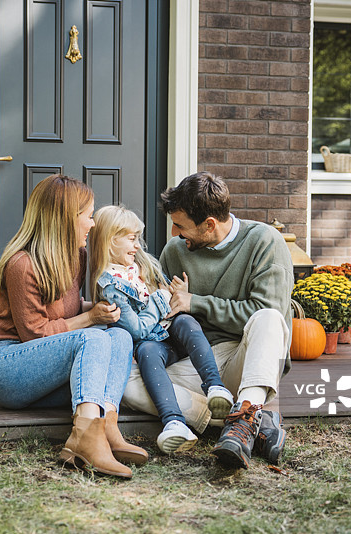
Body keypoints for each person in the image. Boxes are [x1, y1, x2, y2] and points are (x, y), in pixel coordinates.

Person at [121, 172, 293, 469]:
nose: (174, 233)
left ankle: (245, 411)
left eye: (181, 226)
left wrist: (195, 303)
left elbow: (263, 311)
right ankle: (246, 422)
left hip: (244, 357)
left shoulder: (264, 241)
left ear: (209, 224)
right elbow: (168, 316)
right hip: (197, 363)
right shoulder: (175, 251)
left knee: (269, 318)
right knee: (125, 378)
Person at [0, 174, 147, 479]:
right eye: (88, 216)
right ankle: (85, 437)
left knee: (120, 336)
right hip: (7, 369)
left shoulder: (77, 256)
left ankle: (105, 424)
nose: (93, 224)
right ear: (65, 219)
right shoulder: (23, 264)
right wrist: (91, 319)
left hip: (46, 373)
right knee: (93, 338)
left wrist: (102, 311)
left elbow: (66, 312)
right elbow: (36, 332)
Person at [89, 205, 234, 454]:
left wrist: (178, 293)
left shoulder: (140, 263)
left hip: (175, 332)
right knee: (146, 350)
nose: (137, 246)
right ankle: (174, 423)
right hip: (153, 342)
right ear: (111, 241)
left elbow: (166, 290)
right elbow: (138, 330)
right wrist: (161, 299)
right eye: (132, 240)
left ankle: (215, 388)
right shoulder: (110, 285)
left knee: (187, 322)